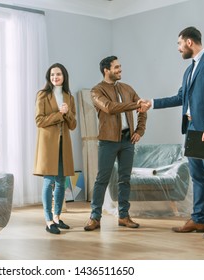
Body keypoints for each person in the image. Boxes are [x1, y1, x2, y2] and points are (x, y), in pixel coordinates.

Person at [143, 26, 204, 239]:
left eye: (180, 44)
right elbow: (180, 98)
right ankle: (198, 220)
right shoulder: (189, 70)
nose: (179, 48)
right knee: (197, 176)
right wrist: (151, 103)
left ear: (189, 42)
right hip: (191, 128)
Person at [84, 55, 149, 231]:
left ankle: (124, 216)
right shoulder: (96, 91)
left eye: (120, 67)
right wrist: (134, 105)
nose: (120, 70)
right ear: (106, 70)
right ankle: (95, 217)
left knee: (124, 180)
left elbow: (142, 108)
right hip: (108, 141)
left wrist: (139, 131)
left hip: (128, 140)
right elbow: (110, 108)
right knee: (101, 180)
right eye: (116, 68)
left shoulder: (127, 89)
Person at [34, 63, 77, 234]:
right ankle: (48, 220)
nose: (55, 77)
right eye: (52, 75)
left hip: (63, 144)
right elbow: (39, 121)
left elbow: (73, 125)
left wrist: (67, 113)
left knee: (61, 182)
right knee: (48, 181)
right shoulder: (43, 95)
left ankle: (57, 217)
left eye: (58, 74)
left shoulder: (69, 97)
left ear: (64, 76)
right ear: (49, 77)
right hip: (48, 145)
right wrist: (60, 114)